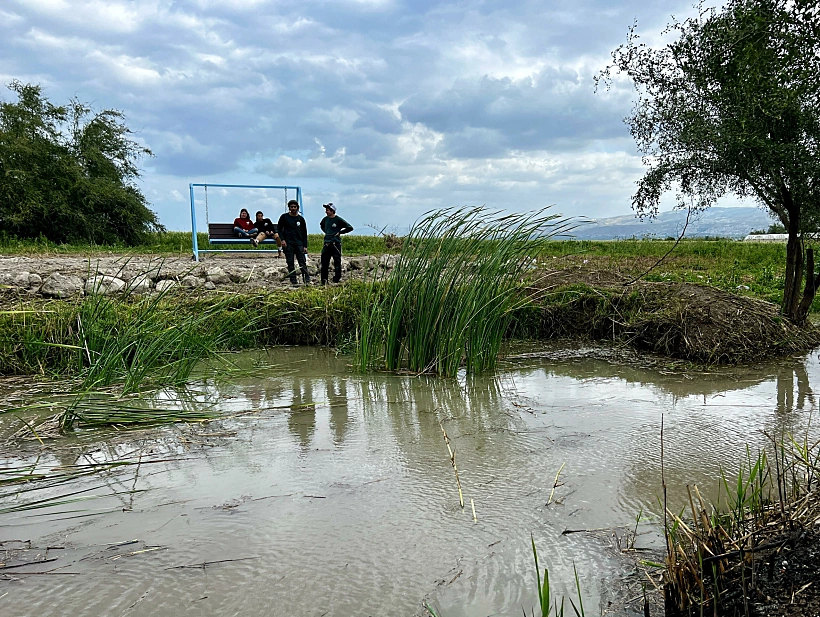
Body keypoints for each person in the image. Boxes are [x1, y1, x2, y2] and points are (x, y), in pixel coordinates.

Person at [277, 199, 310, 286]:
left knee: (302, 262)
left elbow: (304, 233)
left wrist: (305, 246)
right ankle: (293, 281)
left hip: (299, 243)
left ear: (297, 208)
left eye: (295, 207)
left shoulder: (301, 219)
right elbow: (279, 229)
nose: (293, 208)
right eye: (291, 207)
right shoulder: (284, 217)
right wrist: (282, 239)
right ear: (289, 208)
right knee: (290, 262)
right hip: (288, 243)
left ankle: (306, 279)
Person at [319, 203, 353, 284]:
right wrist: (327, 232)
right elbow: (322, 225)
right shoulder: (325, 219)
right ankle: (324, 280)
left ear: (332, 211)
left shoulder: (338, 220)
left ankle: (337, 278)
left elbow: (349, 227)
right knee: (324, 262)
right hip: (327, 242)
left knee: (337, 261)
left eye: (327, 210)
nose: (326, 211)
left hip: (335, 243)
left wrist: (340, 232)